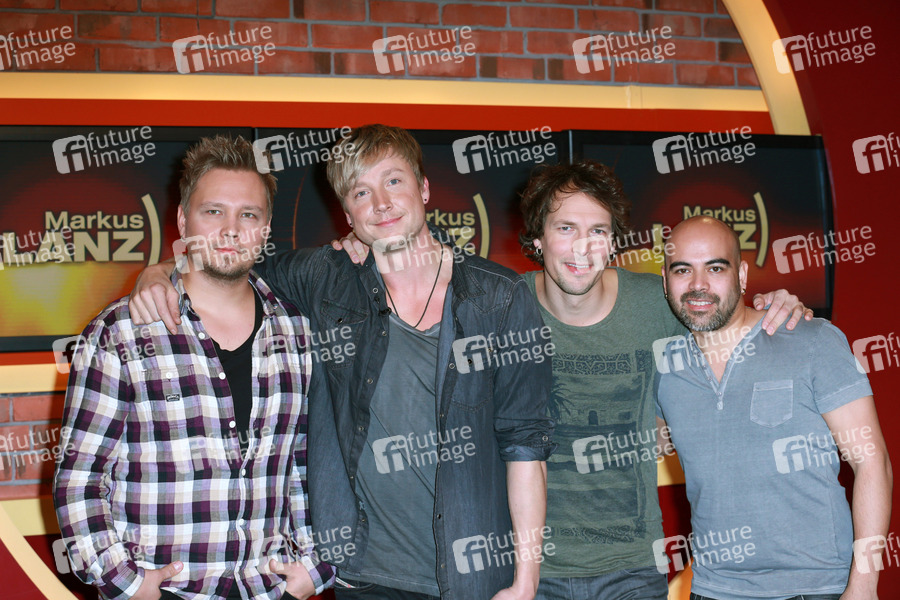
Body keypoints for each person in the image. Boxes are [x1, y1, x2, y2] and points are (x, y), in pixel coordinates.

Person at [333, 158, 813, 600]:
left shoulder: (660, 302)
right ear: (538, 238)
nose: (583, 247)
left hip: (632, 568)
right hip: (527, 571)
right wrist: (366, 244)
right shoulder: (498, 305)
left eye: (597, 230)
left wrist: (777, 302)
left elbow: (726, 316)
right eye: (566, 228)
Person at [128, 124, 555, 600]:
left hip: (472, 577)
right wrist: (158, 272)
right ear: (348, 214)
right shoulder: (325, 277)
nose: (382, 203)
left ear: (423, 188)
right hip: (361, 575)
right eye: (361, 192)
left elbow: (526, 447)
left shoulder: (499, 296)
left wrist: (526, 581)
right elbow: (227, 263)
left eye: (393, 181)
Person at [54, 135, 334, 600]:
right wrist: (126, 583)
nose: (231, 230)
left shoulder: (297, 332)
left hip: (269, 589)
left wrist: (314, 567)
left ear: (266, 228)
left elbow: (307, 466)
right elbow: (80, 477)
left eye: (249, 215)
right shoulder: (120, 333)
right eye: (213, 211)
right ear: (184, 220)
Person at [655, 216, 892, 600]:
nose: (698, 284)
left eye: (716, 268)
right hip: (713, 589)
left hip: (817, 588)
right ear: (665, 282)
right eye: (683, 270)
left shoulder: (812, 340)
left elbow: (872, 461)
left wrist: (864, 585)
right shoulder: (664, 367)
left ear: (742, 276)